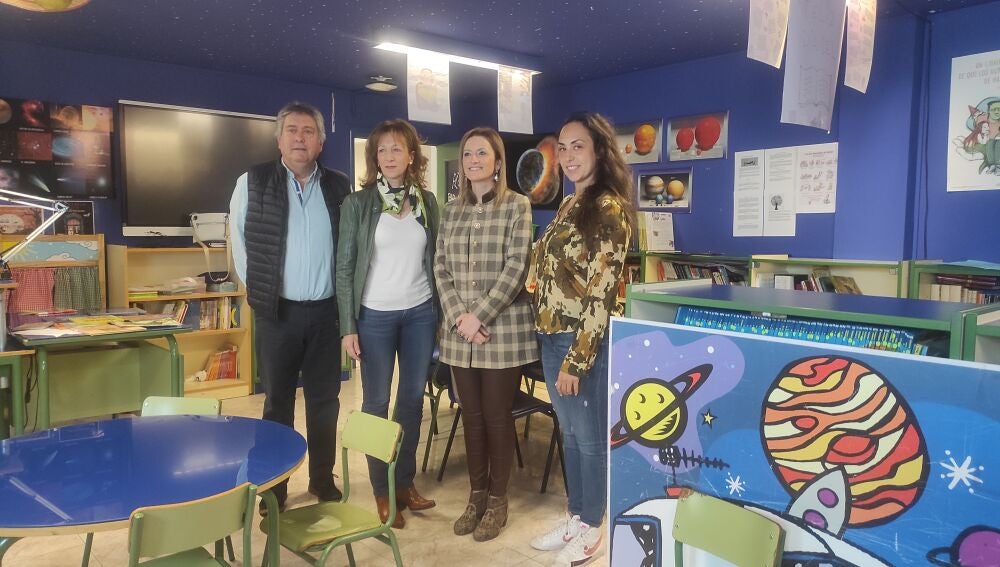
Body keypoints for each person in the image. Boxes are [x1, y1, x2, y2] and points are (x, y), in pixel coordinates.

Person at [229, 101, 350, 515]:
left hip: (325, 313)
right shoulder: (253, 182)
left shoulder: (339, 186)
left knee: (325, 400)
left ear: (321, 141)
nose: (300, 138)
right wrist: (260, 292)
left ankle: (321, 478)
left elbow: (347, 249)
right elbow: (240, 243)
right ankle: (274, 487)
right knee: (276, 402)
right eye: (292, 130)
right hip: (276, 313)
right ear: (279, 139)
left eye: (309, 131)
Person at [529, 112, 634, 567]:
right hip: (551, 335)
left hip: (582, 342)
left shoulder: (608, 209)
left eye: (579, 147)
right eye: (563, 148)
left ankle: (593, 526)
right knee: (569, 434)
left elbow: (602, 294)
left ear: (599, 151)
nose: (569, 156)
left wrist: (577, 359)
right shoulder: (570, 205)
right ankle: (576, 514)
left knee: (590, 439)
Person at [434, 127, 538, 541]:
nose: (474, 159)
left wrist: (480, 316)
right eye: (468, 153)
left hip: (502, 333)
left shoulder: (518, 206)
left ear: (498, 162)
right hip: (460, 333)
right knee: (471, 418)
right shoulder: (451, 211)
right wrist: (461, 316)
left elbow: (517, 267)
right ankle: (475, 496)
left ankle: (498, 500)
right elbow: (440, 266)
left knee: (497, 418)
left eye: (483, 153)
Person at [336, 119, 440, 529]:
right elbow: (344, 267)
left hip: (420, 312)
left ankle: (405, 484)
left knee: (412, 402)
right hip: (374, 316)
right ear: (374, 158)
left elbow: (436, 260)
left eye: (397, 149)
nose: (390, 157)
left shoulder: (427, 202)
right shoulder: (358, 205)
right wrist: (348, 325)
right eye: (382, 150)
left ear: (411, 156)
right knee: (376, 405)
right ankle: (381, 491)